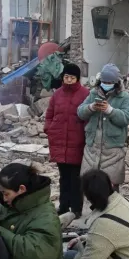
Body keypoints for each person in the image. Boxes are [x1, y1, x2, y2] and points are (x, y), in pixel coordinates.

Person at [77, 64, 129, 189]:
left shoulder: (124, 97)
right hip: (92, 148)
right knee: (89, 186)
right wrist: (91, 107)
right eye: (104, 81)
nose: (106, 84)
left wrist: (110, 111)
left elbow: (127, 117)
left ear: (115, 82)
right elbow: (80, 112)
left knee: (110, 188)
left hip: (112, 149)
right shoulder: (93, 93)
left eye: (109, 82)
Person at [44, 63, 89, 217]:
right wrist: (49, 129)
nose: (69, 80)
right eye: (66, 77)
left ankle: (76, 209)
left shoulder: (85, 94)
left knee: (76, 178)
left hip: (77, 141)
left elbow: (88, 118)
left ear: (77, 79)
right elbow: (49, 114)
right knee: (63, 177)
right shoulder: (57, 94)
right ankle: (63, 206)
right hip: (59, 140)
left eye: (72, 77)